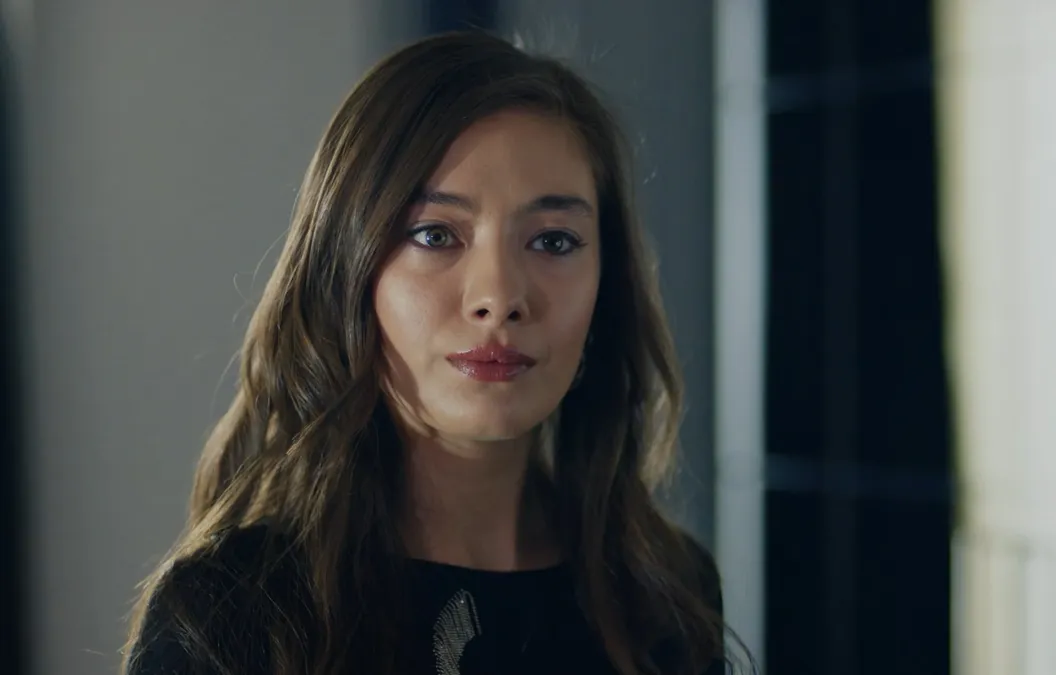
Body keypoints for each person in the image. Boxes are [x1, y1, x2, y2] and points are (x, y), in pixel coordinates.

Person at [122, 30, 743, 675]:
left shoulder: (664, 595)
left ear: (606, 287)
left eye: (554, 241)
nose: (499, 297)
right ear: (348, 273)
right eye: (435, 234)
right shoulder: (235, 614)